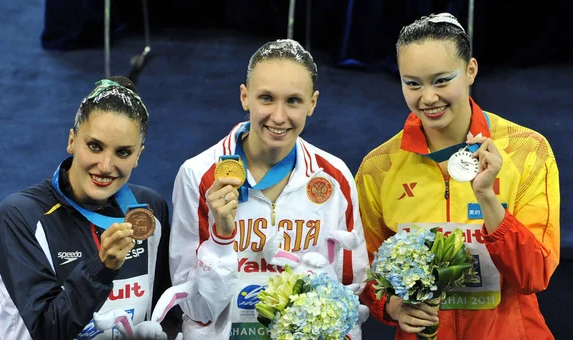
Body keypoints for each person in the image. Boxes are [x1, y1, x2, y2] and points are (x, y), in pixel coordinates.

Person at [356, 13, 560, 339]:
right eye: (412, 83)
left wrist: (487, 198)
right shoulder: (378, 167)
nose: (428, 97)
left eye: (441, 80)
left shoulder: (527, 150)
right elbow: (362, 271)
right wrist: (392, 306)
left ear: (470, 71)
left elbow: (533, 276)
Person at [168, 39, 369, 339]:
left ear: (312, 103)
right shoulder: (198, 175)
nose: (278, 116)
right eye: (266, 98)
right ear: (245, 97)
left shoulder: (334, 177)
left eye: (293, 101)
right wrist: (221, 239)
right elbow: (196, 309)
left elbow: (349, 296)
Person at [0, 76, 180, 339]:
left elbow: (167, 309)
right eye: (94, 146)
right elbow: (48, 329)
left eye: (123, 152)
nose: (105, 165)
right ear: (72, 140)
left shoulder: (149, 211)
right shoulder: (21, 216)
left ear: (138, 155)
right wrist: (101, 268)